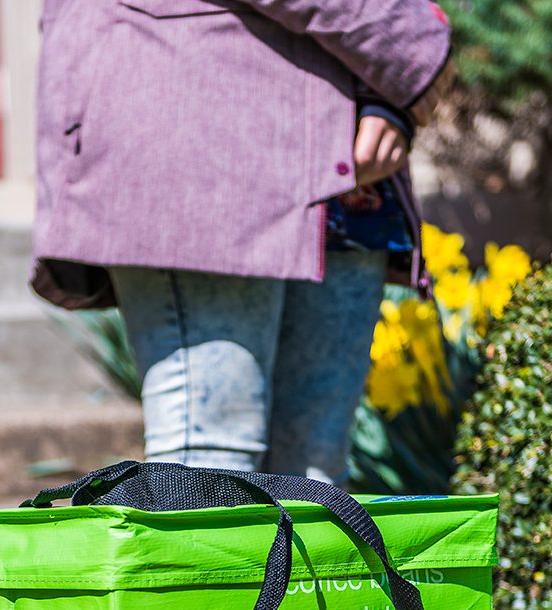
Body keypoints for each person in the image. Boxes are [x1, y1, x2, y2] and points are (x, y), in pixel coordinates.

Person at [31, 0, 451, 483]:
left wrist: (388, 97)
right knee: (209, 465)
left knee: (314, 474)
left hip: (347, 169)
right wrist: (409, 34)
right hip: (203, 125)